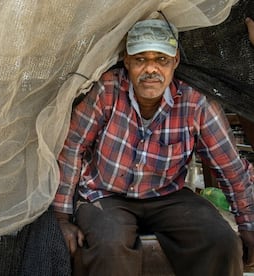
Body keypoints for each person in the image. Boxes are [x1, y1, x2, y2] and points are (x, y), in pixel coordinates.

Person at [52, 19, 254, 276]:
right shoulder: (107, 90)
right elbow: (72, 148)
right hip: (105, 194)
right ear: (126, 61)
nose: (151, 69)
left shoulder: (195, 102)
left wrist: (248, 223)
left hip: (167, 195)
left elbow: (231, 167)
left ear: (175, 61)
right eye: (140, 60)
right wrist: (60, 217)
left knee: (221, 240)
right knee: (108, 245)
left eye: (161, 59)